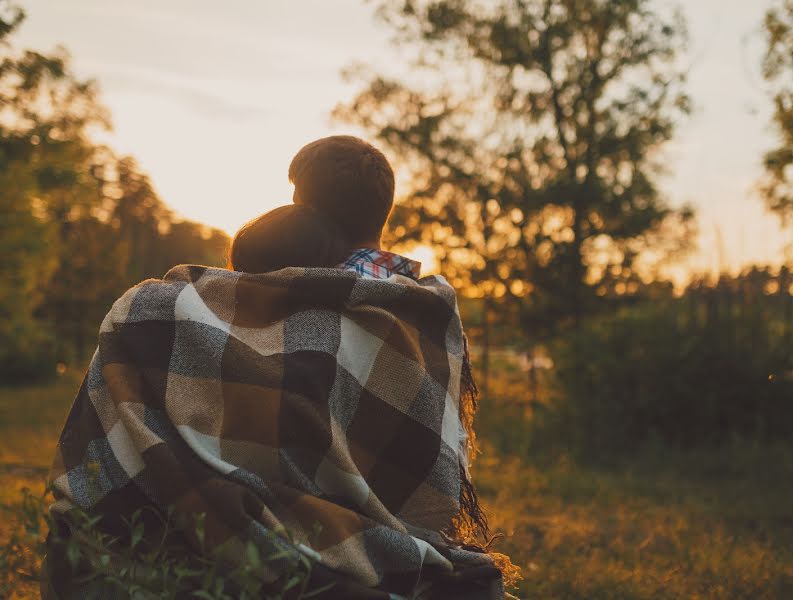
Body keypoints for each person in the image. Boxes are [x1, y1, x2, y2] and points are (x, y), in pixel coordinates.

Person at [44, 136, 514, 599]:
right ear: (383, 211)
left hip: (174, 532)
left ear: (300, 204)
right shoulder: (423, 318)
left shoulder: (193, 309)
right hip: (376, 531)